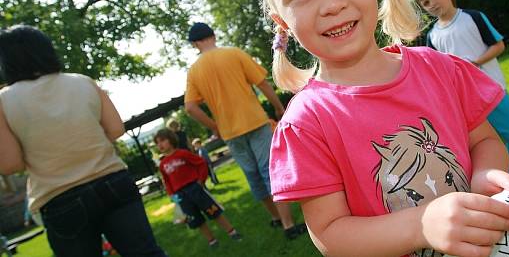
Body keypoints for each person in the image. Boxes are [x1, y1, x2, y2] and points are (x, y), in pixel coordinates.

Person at [239, 0, 509, 256]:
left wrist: (484, 176)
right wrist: (421, 225)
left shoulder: (439, 69)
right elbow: (330, 234)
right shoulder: (305, 124)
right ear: (281, 21)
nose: (331, 4)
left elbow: (485, 142)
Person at [0, 25, 165, 257]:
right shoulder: (82, 81)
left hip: (59, 198)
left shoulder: (3, 101)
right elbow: (116, 129)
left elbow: (10, 164)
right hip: (113, 182)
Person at [184, 22, 307, 239]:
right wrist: (278, 106)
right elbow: (262, 83)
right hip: (256, 122)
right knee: (269, 172)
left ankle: (276, 217)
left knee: (253, 177)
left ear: (195, 44)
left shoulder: (194, 71)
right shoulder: (233, 53)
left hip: (230, 132)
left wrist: (215, 126)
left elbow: (190, 107)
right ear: (213, 35)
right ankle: (289, 225)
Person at [414, 0, 509, 166]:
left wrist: (474, 63)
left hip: (491, 89)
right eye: (425, 2)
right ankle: (499, 174)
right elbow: (436, 71)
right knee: (482, 143)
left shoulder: (473, 17)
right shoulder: (432, 37)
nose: (431, 3)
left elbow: (498, 45)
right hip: (464, 100)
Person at [153, 129, 241, 248]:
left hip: (195, 189)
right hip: (181, 195)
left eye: (162, 140)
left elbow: (201, 163)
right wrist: (172, 196)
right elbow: (167, 182)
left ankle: (232, 232)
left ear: (171, 139)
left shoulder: (183, 153)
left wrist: (201, 180)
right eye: (157, 143)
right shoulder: (163, 164)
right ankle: (212, 241)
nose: (160, 145)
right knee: (197, 220)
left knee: (213, 211)